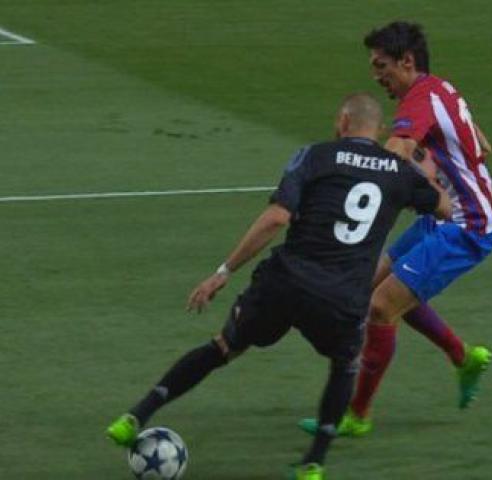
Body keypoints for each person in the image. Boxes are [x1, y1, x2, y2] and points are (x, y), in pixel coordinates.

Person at [105, 93, 451, 480]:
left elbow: (275, 218)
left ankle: (135, 416)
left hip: (285, 281)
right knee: (345, 364)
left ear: (342, 121)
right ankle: (314, 464)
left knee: (224, 347)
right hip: (341, 297)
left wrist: (224, 271)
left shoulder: (315, 156)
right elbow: (444, 208)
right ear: (381, 129)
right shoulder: (399, 173)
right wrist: (418, 169)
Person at [300, 21, 492, 438]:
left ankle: (357, 415)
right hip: (444, 217)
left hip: (468, 226)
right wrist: (434, 174)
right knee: (373, 287)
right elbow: (483, 145)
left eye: (382, 66)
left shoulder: (419, 100)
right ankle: (463, 357)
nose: (377, 76)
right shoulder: (441, 89)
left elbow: (396, 152)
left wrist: (351, 184)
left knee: (380, 306)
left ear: (407, 62)